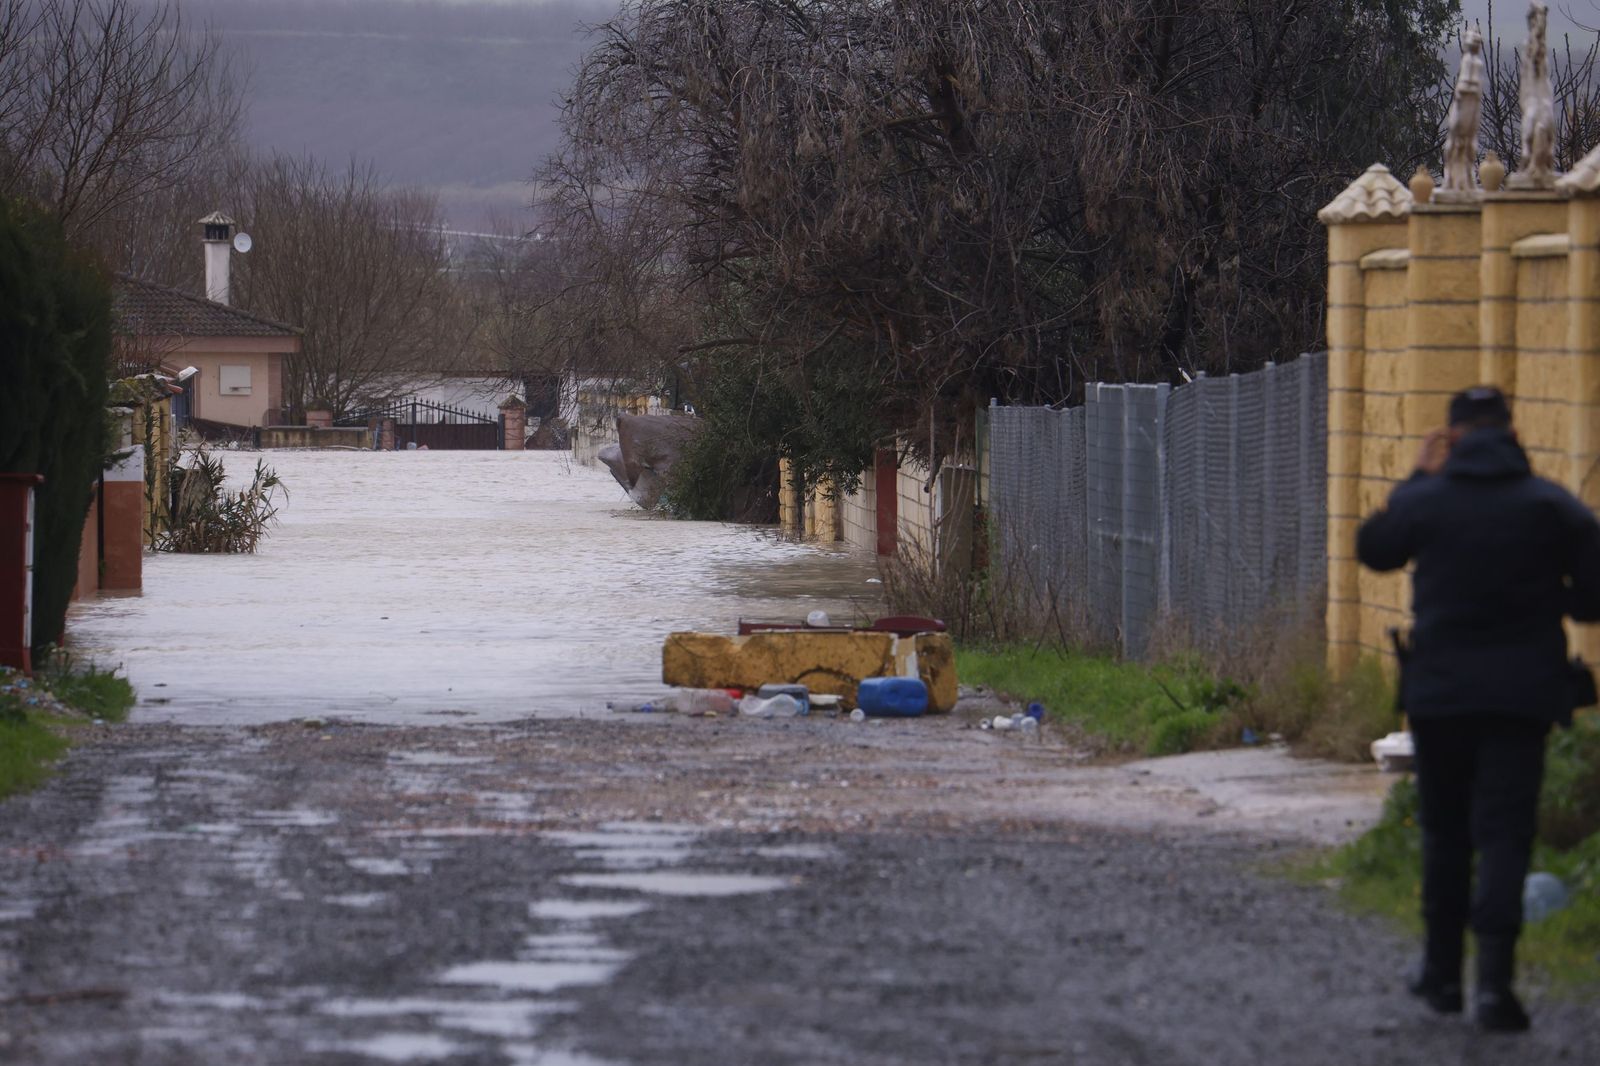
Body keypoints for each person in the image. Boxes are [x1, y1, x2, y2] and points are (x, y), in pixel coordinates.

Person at [1357, 385, 1600, 1033]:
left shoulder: (1427, 501)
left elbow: (1374, 548)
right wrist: (1552, 597)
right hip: (1523, 698)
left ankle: (1441, 975)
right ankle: (1494, 986)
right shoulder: (1552, 506)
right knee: (1505, 834)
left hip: (1440, 698)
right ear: (1513, 434)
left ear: (1454, 438)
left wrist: (1416, 477)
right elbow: (1593, 597)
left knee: (1445, 833)